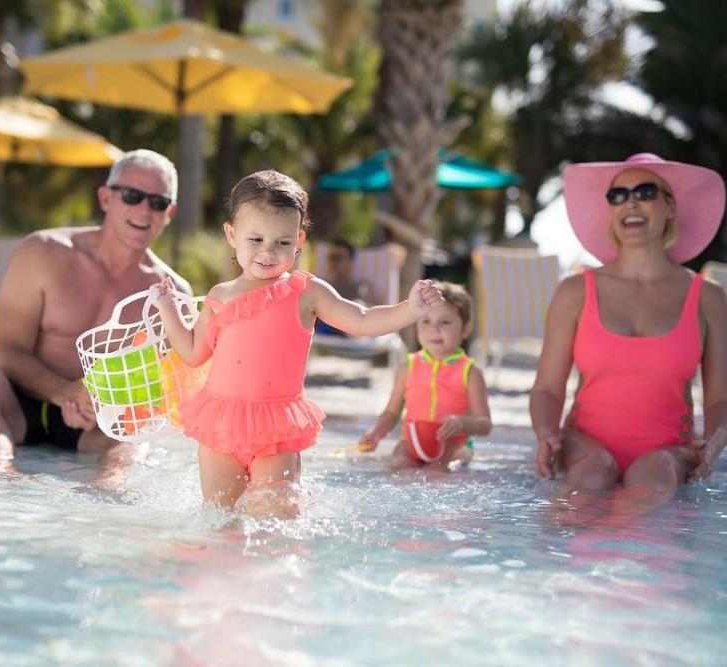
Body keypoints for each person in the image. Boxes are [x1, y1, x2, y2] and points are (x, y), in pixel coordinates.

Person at [150, 169, 444, 518]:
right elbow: (193, 353)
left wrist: (410, 309)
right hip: (221, 424)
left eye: (282, 243)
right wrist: (167, 308)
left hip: (277, 426)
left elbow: (362, 320)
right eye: (255, 240)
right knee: (220, 521)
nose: (268, 253)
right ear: (232, 235)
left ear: (299, 240)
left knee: (276, 522)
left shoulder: (306, 293)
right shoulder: (220, 297)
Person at [0, 149, 190, 479]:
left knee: (137, 433)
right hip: (19, 408)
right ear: (106, 198)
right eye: (133, 196)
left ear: (170, 212)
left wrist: (107, 409)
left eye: (158, 202)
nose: (144, 209)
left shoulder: (171, 294)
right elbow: (7, 350)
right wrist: (64, 392)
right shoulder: (43, 252)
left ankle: (109, 493)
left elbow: (160, 389)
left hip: (98, 425)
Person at [530, 153, 727, 518]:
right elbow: (547, 388)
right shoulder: (575, 291)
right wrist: (547, 433)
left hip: (668, 452)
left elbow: (723, 399)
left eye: (645, 192)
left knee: (651, 484)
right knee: (592, 478)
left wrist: (712, 446)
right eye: (618, 195)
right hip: (584, 447)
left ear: (670, 208)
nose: (631, 202)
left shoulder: (708, 297)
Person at [358, 281, 492, 469]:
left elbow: (484, 424)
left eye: (445, 322)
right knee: (399, 465)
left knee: (439, 470)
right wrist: (376, 433)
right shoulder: (408, 367)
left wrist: (462, 423)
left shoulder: (470, 372)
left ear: (466, 329)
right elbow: (392, 412)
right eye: (426, 321)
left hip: (454, 444)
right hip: (412, 442)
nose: (434, 328)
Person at [315, 239, 369, 336]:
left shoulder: (360, 287)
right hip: (322, 333)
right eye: (332, 258)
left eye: (339, 258)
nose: (335, 262)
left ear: (350, 262)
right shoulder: (319, 284)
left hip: (348, 334)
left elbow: (367, 313)